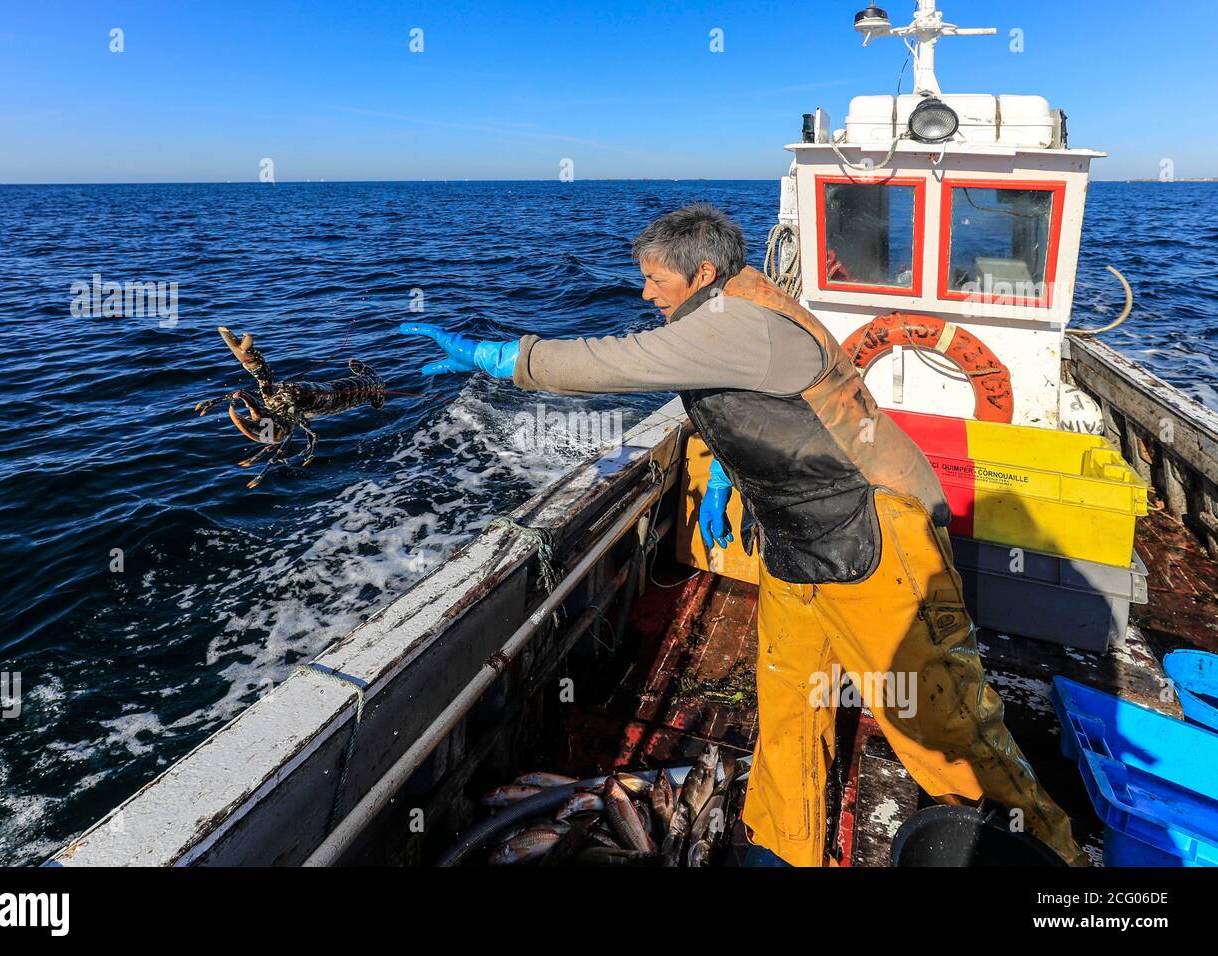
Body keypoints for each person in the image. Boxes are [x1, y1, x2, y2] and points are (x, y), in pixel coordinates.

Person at [399, 202, 1089, 867]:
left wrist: (502, 358)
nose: (643, 293)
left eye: (655, 280)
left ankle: (1054, 864)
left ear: (702, 277)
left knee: (944, 726)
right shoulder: (730, 309)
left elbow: (615, 361)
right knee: (791, 702)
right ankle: (781, 846)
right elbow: (749, 401)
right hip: (799, 538)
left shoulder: (737, 324)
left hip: (876, 534)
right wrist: (732, 476)